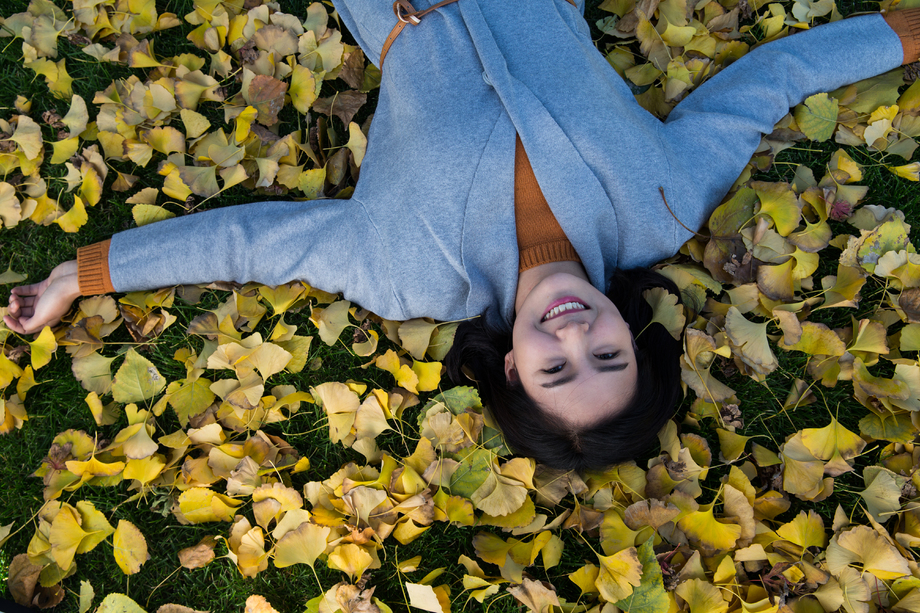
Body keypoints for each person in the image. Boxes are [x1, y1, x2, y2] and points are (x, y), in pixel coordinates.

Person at [5, 2, 919, 470]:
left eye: (555, 367)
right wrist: (907, 33)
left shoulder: (407, 275)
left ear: (513, 368)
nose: (571, 332)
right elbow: (769, 82)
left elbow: (250, 246)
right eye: (605, 354)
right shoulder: (665, 204)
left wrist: (79, 277)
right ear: (634, 337)